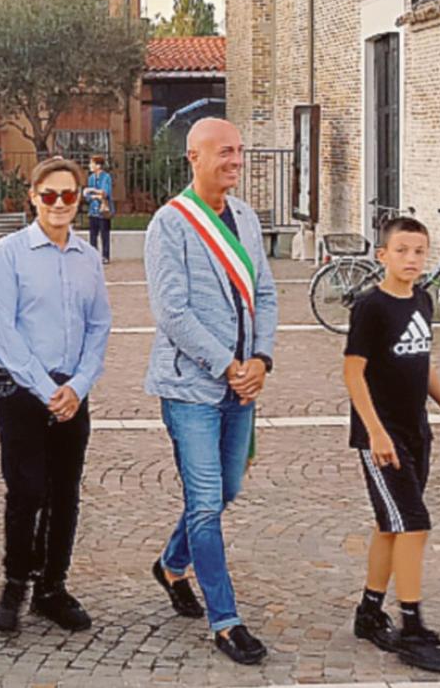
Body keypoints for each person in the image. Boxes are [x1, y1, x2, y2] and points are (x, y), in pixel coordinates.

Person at [143, 117, 277, 665]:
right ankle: (226, 621)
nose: (235, 161)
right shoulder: (168, 225)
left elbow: (264, 294)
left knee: (225, 492)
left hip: (242, 384)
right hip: (191, 387)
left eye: (238, 152)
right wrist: (228, 365)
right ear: (193, 157)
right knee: (204, 504)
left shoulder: (245, 217)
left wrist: (262, 360)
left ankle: (171, 565)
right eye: (225, 152)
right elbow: (172, 312)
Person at [0, 157, 112, 636]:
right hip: (21, 387)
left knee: (65, 493)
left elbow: (99, 324)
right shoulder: (8, 254)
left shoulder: (87, 258)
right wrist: (45, 389)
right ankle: (15, 582)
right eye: (50, 195)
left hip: (71, 389)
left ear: (81, 198)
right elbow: (4, 331)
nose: (60, 204)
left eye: (69, 195)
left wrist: (78, 385)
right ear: (33, 197)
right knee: (27, 489)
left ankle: (51, 587)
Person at [343, 215, 440, 673]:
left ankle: (369, 612)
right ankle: (412, 627)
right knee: (414, 523)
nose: (411, 259)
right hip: (383, 437)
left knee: (391, 525)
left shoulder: (422, 299)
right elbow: (353, 372)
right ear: (383, 255)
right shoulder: (370, 307)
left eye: (419, 251)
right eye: (402, 251)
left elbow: (423, 358)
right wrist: (375, 432)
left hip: (417, 431)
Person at [83, 155, 114, 264]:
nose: (90, 166)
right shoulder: (91, 178)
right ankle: (93, 256)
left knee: (104, 234)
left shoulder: (106, 177)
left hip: (103, 211)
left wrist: (92, 191)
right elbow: (87, 196)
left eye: (92, 163)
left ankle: (105, 256)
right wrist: (95, 195)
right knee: (93, 235)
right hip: (93, 210)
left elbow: (105, 193)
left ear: (98, 165)